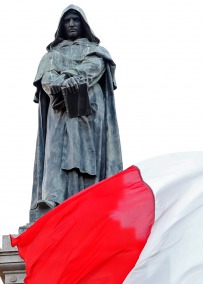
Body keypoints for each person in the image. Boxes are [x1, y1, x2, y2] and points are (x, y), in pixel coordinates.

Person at [28, 5, 122, 223]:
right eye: (67, 21)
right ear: (61, 26)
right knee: (55, 151)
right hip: (60, 109)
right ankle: (53, 198)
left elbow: (94, 68)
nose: (71, 24)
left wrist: (71, 76)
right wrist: (63, 84)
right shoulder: (51, 55)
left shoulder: (96, 51)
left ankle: (92, 197)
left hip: (89, 111)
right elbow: (47, 79)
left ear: (83, 24)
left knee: (87, 153)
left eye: (75, 20)